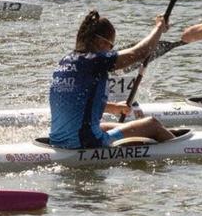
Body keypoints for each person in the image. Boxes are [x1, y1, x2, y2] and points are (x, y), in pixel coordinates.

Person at [48, 11, 175, 149]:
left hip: (58, 140)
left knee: (113, 126)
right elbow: (140, 52)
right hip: (86, 143)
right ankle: (181, 151)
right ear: (100, 41)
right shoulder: (95, 60)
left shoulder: (65, 62)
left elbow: (76, 101)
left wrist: (112, 108)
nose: (110, 51)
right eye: (111, 46)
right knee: (152, 124)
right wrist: (159, 27)